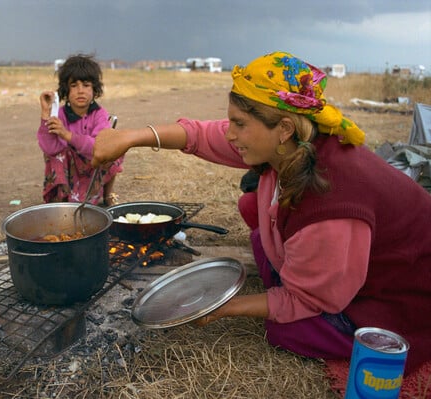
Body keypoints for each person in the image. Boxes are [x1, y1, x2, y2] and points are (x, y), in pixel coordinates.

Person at [91, 51, 431, 375]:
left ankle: (311, 283)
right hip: (339, 256)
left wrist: (222, 308)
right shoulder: (295, 142)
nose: (229, 133)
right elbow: (199, 135)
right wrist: (131, 137)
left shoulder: (332, 203)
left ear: (283, 128)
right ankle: (297, 269)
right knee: (252, 206)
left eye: (239, 123)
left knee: (285, 331)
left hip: (401, 296)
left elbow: (306, 300)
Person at [37, 54, 123, 206]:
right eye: (74, 85)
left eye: (86, 85)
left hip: (92, 164)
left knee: (115, 149)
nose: (80, 91)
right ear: (66, 90)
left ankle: (108, 195)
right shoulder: (60, 115)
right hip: (70, 171)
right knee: (57, 156)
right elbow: (50, 148)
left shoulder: (99, 114)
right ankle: (62, 201)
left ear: (94, 89)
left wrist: (67, 135)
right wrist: (45, 114)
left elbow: (99, 147)